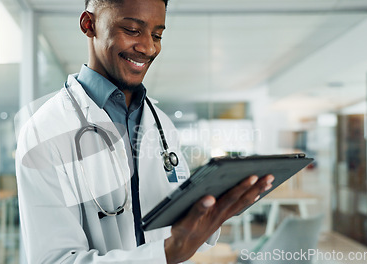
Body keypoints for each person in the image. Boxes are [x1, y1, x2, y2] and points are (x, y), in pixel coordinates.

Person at [15, 0, 274, 263]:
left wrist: (214, 211)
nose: (149, 47)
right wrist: (165, 254)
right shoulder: (44, 132)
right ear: (89, 24)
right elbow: (55, 259)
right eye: (131, 30)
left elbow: (179, 231)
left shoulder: (161, 125)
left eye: (157, 35)